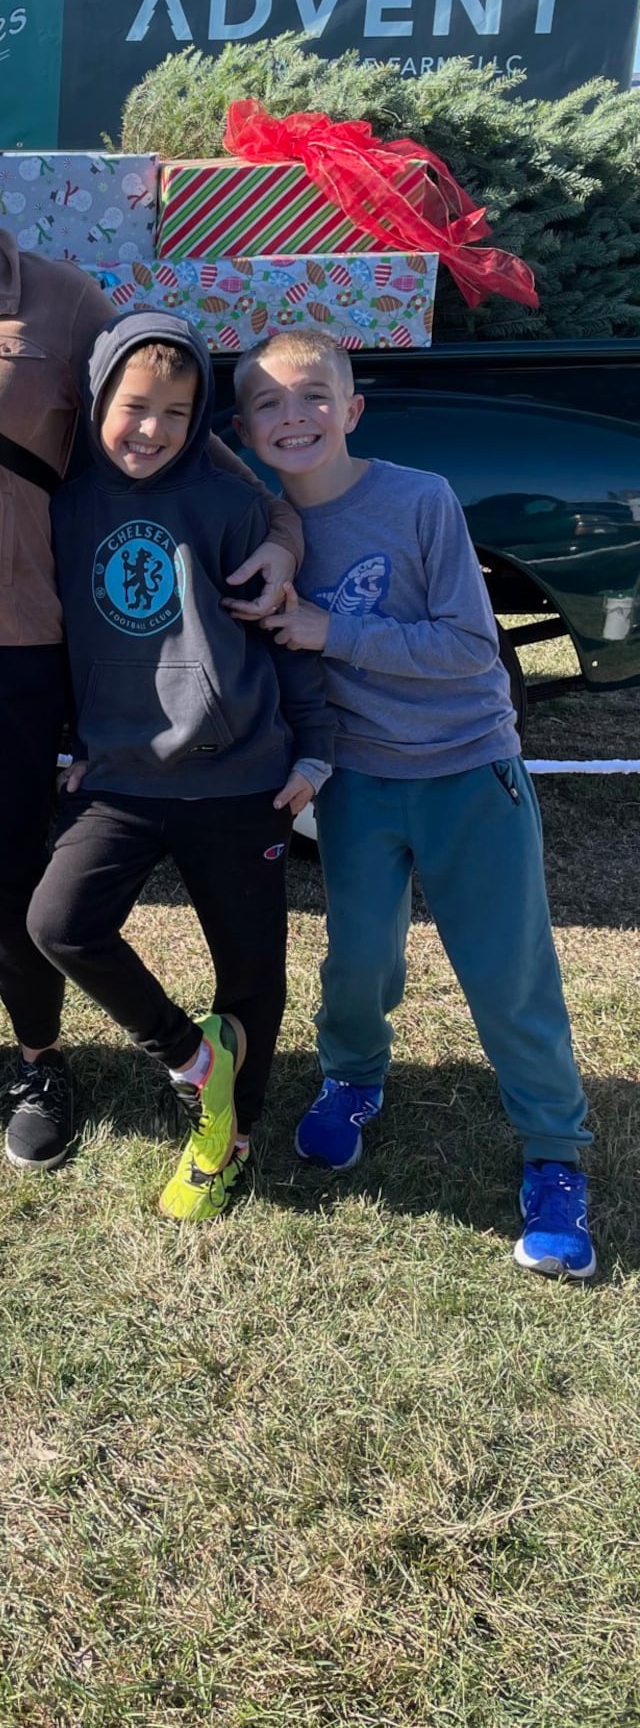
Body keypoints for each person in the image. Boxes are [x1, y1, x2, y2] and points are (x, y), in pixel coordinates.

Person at [0, 80, 305, 1170]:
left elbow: (181, 435)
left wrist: (278, 532)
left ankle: (41, 1056)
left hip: (3, 637)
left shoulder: (61, 302)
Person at [237, 327, 595, 1279]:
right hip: (356, 783)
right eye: (267, 403)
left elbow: (469, 650)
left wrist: (330, 627)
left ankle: (555, 1156)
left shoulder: (420, 498)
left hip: (466, 767)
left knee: (506, 971)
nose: (292, 415)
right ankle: (352, 1080)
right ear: (244, 429)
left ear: (352, 410)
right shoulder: (265, 527)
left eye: (312, 395)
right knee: (356, 958)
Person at [24, 316, 333, 1217]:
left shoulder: (233, 507)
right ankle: (195, 1060)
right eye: (134, 407)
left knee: (252, 973)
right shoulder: (66, 504)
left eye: (176, 411)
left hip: (241, 779)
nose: (151, 429)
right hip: (121, 777)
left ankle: (233, 1136)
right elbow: (55, 642)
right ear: (97, 403)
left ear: (199, 420)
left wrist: (312, 748)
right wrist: (75, 746)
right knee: (60, 920)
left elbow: (282, 634)